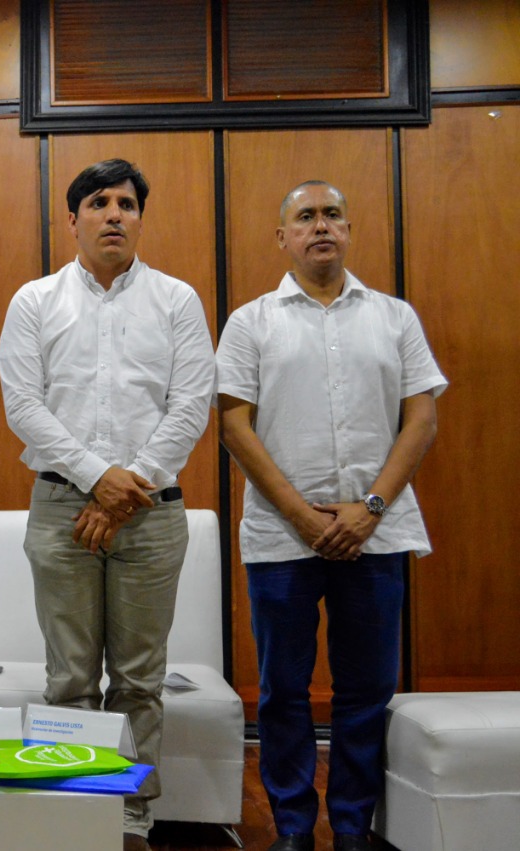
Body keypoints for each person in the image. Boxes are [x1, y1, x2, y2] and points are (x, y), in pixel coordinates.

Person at [216, 181, 446, 851]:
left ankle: (351, 825)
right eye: (305, 217)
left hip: (375, 534)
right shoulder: (252, 320)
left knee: (366, 689)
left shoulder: (394, 316)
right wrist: (303, 516)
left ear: (349, 230)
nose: (321, 226)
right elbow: (234, 424)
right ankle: (292, 826)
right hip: (281, 538)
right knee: (284, 690)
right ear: (282, 236)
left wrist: (370, 508)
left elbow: (422, 417)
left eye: (332, 215)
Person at [0, 159, 215, 851]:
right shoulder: (34, 300)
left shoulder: (177, 300)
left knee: (140, 679)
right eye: (99, 202)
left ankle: (127, 813)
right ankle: (75, 807)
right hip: (63, 511)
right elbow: (23, 406)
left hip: (152, 513)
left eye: (126, 202)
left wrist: (126, 490)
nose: (114, 213)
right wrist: (98, 478)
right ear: (73, 219)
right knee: (68, 678)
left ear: (141, 218)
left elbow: (191, 406)